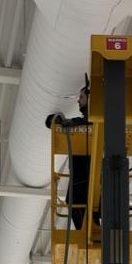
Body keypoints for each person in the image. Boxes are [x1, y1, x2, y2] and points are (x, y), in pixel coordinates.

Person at [46, 83, 92, 231]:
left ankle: (85, 232)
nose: (78, 100)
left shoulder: (87, 122)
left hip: (84, 177)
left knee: (74, 201)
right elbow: (50, 122)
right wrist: (59, 121)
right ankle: (86, 231)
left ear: (91, 98)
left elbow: (90, 124)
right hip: (83, 176)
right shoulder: (79, 123)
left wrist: (70, 123)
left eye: (81, 97)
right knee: (74, 201)